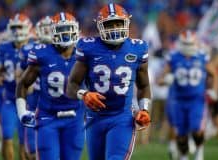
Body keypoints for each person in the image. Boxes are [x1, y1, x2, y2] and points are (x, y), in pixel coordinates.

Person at [66, 3, 151, 160]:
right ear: (100, 26)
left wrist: (144, 109)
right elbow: (71, 85)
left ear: (127, 23)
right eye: (109, 24)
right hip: (94, 118)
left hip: (122, 117)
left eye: (118, 23)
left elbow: (144, 85)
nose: (115, 28)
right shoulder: (88, 47)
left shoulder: (137, 48)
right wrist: (84, 94)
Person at [16, 12, 85, 160]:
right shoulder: (42, 53)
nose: (65, 33)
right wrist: (22, 112)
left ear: (76, 30)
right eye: (61, 29)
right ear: (52, 31)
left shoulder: (85, 53)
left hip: (75, 118)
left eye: (68, 28)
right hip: (48, 117)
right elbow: (22, 83)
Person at [161, 30, 218, 160]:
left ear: (195, 43)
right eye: (185, 44)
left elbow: (213, 74)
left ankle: (199, 151)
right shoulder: (173, 57)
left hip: (196, 100)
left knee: (197, 130)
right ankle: (184, 156)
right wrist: (166, 79)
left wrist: (212, 89)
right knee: (180, 134)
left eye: (190, 43)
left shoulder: (202, 56)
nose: (188, 46)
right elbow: (160, 78)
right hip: (178, 100)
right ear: (180, 43)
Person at [0, 13, 32, 160]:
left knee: (26, 145)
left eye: (20, 27)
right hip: (10, 99)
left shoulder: (34, 47)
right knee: (6, 137)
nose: (17, 31)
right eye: (14, 27)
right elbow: (1, 68)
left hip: (28, 101)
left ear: (27, 28)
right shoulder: (4, 47)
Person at [18, 16, 53, 160]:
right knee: (31, 150)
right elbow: (20, 76)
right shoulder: (29, 49)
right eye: (43, 28)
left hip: (52, 102)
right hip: (33, 101)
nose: (46, 31)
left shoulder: (63, 49)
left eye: (49, 27)